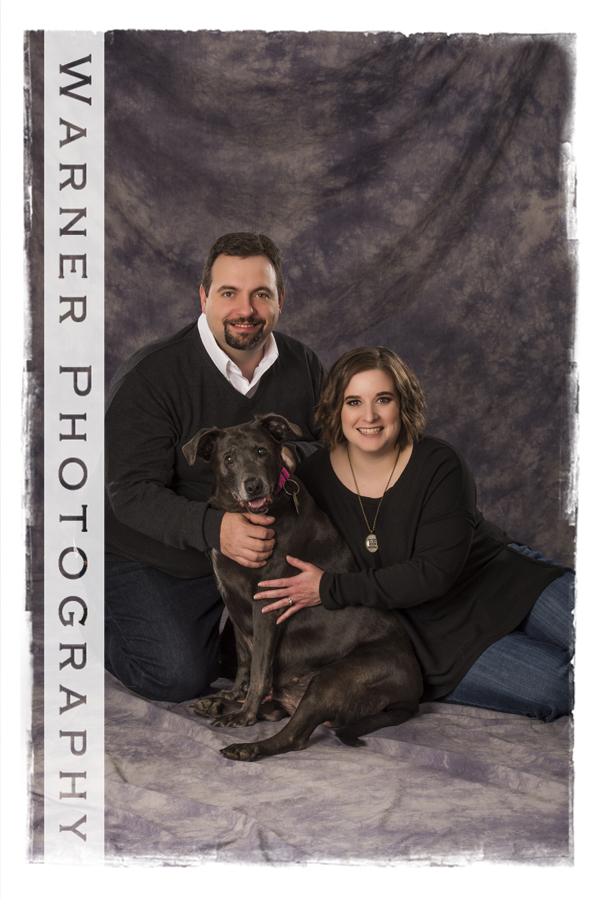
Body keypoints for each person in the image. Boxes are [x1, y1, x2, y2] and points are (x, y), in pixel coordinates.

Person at [254, 346, 574, 722]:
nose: (369, 416)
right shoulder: (312, 480)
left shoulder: (439, 463)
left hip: (505, 581)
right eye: (353, 401)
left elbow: (433, 573)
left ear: (402, 404)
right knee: (565, 686)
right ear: (335, 410)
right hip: (433, 641)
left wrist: (329, 588)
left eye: (383, 399)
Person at [105, 232, 325, 701]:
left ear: (280, 301)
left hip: (261, 557)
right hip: (155, 555)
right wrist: (216, 530)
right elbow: (130, 494)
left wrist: (293, 454)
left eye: (260, 294)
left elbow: (335, 453)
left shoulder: (302, 364)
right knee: (178, 675)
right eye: (229, 293)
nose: (245, 309)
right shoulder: (152, 376)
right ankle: (98, 616)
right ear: (204, 297)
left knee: (296, 654)